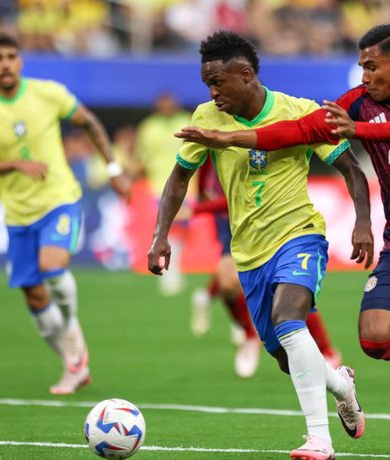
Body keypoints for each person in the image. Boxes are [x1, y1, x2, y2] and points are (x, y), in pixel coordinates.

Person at [176, 24, 390, 460]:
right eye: (361, 66)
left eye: (372, 66)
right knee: (374, 339)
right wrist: (228, 138)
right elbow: (298, 131)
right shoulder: (357, 105)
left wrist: (356, 131)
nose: (364, 76)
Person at [149, 30, 371, 460]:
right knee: (289, 357)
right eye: (207, 85)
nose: (212, 93)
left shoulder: (299, 112)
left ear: (246, 75)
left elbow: (351, 169)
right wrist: (161, 234)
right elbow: (180, 177)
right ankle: (342, 384)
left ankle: (319, 440)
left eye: (219, 83)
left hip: (299, 234)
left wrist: (362, 221)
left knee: (290, 321)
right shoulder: (206, 117)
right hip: (248, 252)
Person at [0, 32, 131, 395]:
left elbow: (88, 122)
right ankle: (74, 363)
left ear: (20, 61)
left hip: (59, 200)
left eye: (11, 56)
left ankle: (72, 332)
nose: (5, 63)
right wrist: (16, 164)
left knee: (53, 267)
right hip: (18, 214)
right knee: (33, 295)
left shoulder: (48, 93)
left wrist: (114, 170)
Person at [191, 156, 343, 379]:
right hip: (232, 219)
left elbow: (246, 195)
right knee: (226, 282)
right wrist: (202, 190)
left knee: (286, 288)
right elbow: (202, 156)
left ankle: (326, 349)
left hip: (268, 217)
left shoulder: (257, 134)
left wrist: (198, 208)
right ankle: (249, 335)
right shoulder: (213, 125)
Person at [136, 91, 193, 296]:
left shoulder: (186, 121)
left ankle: (172, 271)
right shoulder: (148, 127)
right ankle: (170, 276)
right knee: (168, 229)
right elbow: (141, 157)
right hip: (159, 186)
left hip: (188, 185)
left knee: (181, 231)